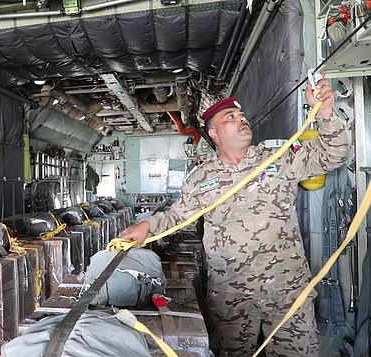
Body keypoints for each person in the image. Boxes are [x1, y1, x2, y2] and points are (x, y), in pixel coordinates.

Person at [120, 79, 348, 356]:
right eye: (231, 117)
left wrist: (325, 114)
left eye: (242, 116)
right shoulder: (202, 178)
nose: (241, 120)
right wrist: (147, 225)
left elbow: (333, 155)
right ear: (214, 133)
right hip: (231, 296)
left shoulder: (277, 158)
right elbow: (177, 215)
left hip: (286, 292)